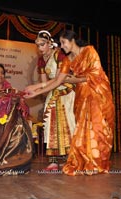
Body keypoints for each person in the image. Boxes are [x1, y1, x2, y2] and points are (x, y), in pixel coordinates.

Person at [24, 30, 115, 176]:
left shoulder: (89, 51)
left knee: (97, 127)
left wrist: (75, 80)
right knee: (82, 128)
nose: (61, 46)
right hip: (81, 95)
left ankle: (97, 161)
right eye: (60, 43)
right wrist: (36, 90)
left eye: (63, 42)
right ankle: (85, 160)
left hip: (96, 92)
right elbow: (58, 80)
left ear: (72, 41)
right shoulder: (67, 60)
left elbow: (96, 74)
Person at [34, 30, 76, 170]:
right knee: (50, 123)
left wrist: (37, 90)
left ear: (49, 44)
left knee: (67, 123)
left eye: (42, 44)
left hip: (65, 90)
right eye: (38, 45)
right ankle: (54, 160)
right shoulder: (41, 60)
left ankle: (70, 158)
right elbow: (45, 81)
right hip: (53, 91)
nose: (40, 48)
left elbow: (59, 79)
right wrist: (39, 91)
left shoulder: (59, 54)